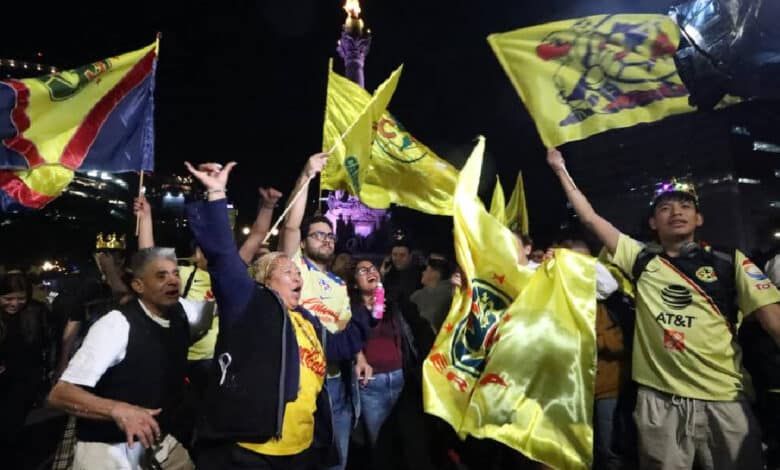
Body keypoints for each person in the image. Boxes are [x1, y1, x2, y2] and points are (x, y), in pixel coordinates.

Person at [547, 147, 780, 470]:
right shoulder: (640, 259)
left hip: (726, 399)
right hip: (660, 403)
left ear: (699, 218)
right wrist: (560, 169)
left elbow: (773, 320)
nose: (677, 212)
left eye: (686, 206)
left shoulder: (730, 261)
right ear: (654, 223)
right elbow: (589, 217)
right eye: (666, 209)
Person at [183, 161, 370, 470]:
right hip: (255, 451)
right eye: (288, 271)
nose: (298, 277)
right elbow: (224, 257)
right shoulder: (250, 303)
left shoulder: (306, 319)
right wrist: (216, 193)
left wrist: (367, 310)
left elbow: (340, 346)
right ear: (265, 279)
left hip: (302, 449)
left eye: (298, 272)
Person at [47, 247, 193, 470]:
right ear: (138, 285)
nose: (173, 281)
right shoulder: (116, 325)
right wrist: (118, 410)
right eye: (161, 276)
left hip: (157, 439)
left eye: (175, 273)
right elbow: (60, 394)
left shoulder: (179, 315)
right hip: (107, 448)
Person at [278, 153, 371, 470]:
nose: (327, 239)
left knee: (337, 459)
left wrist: (359, 358)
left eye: (330, 236)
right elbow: (291, 223)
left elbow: (346, 328)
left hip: (336, 384)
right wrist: (306, 174)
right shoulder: (296, 269)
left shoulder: (339, 284)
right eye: (319, 234)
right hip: (301, 380)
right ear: (303, 244)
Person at [0, 271, 53, 468]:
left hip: (24, 377)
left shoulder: (37, 311)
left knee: (11, 425)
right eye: (8, 298)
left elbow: (49, 342)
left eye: (20, 298)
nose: (14, 303)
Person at [410, 255, 454, 333]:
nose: (423, 272)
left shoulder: (420, 296)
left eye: (426, 270)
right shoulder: (453, 292)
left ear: (435, 274)